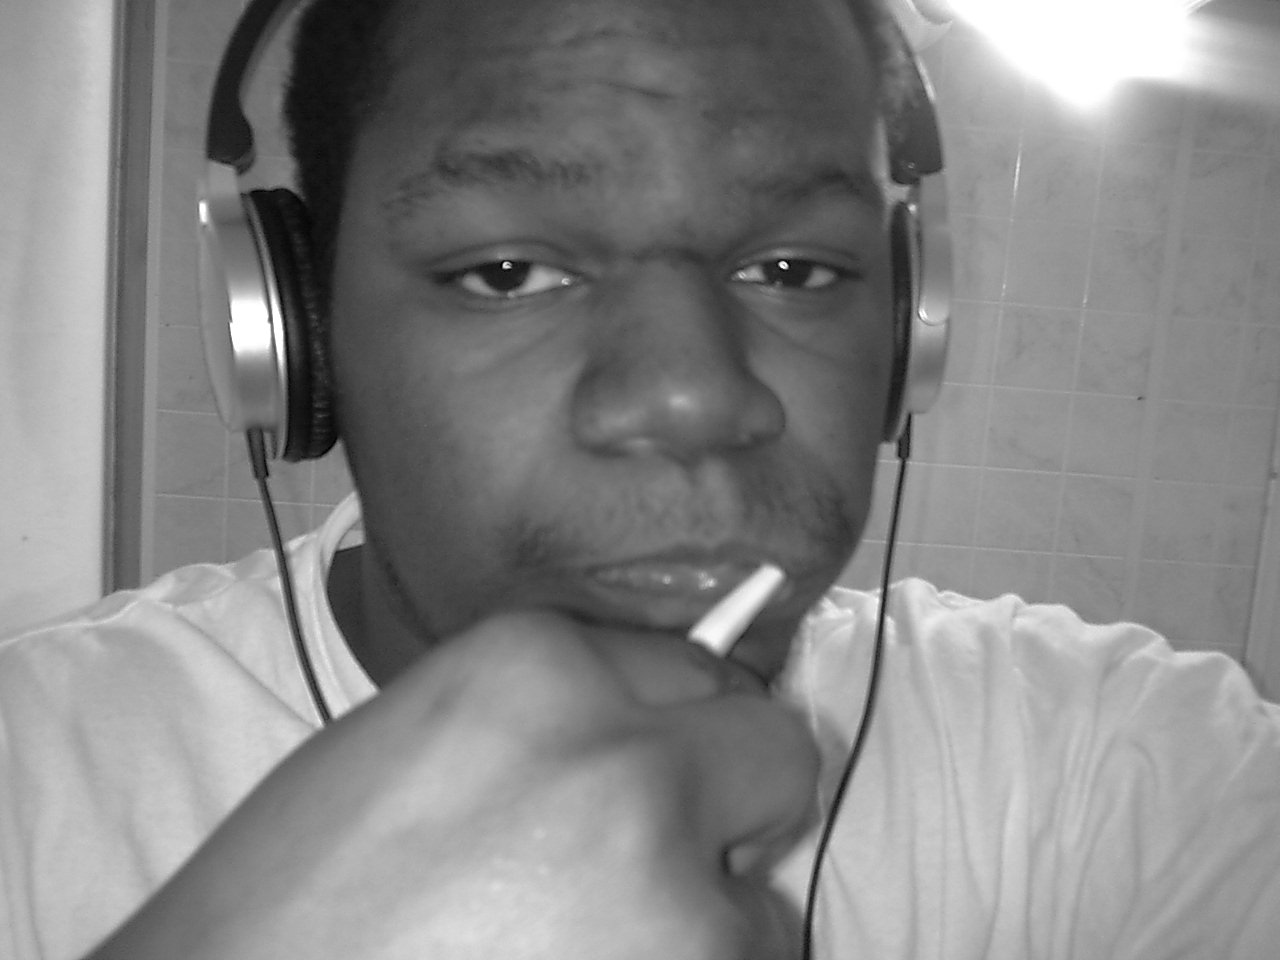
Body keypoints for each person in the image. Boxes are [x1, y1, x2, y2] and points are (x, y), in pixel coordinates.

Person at [1, 0, 1278, 957]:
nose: (694, 397)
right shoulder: (32, 778)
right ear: (296, 334)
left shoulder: (1115, 769)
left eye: (791, 270)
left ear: (907, 332)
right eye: (507, 272)